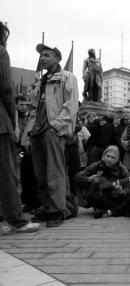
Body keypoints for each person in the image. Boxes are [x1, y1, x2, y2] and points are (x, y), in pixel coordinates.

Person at [23, 43, 79, 227]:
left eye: (47, 55)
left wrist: (56, 127)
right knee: (40, 173)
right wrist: (27, 134)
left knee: (55, 172)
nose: (43, 58)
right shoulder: (41, 81)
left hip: (52, 130)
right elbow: (33, 108)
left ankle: (57, 210)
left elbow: (71, 105)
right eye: (42, 55)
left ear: (57, 59)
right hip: (37, 131)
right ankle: (47, 207)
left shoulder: (67, 77)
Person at [0, 21, 40, 234]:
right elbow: (6, 88)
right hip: (1, 122)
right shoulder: (0, 52)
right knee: (6, 173)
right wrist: (12, 117)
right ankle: (15, 220)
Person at [74, 145, 130, 219]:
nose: (109, 159)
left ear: (117, 159)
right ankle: (114, 210)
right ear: (103, 156)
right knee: (90, 196)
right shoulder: (98, 165)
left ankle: (106, 210)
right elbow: (77, 177)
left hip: (112, 198)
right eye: (107, 156)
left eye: (113, 157)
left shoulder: (122, 170)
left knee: (128, 201)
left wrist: (120, 191)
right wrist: (89, 179)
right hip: (95, 196)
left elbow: (128, 189)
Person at [15, 96, 40, 212]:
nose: (24, 107)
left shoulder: (28, 117)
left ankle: (31, 201)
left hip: (28, 150)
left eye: (25, 104)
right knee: (22, 177)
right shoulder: (14, 117)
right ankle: (26, 201)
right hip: (17, 150)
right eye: (21, 104)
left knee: (29, 177)